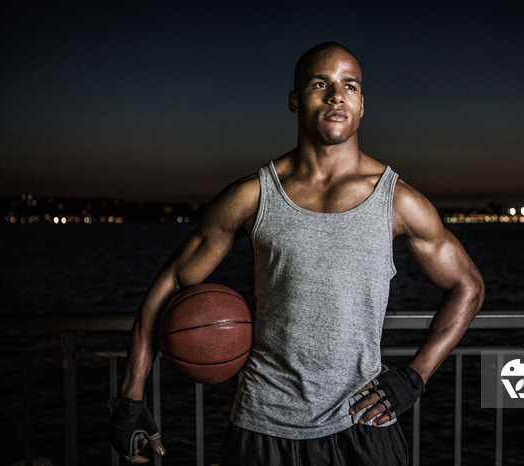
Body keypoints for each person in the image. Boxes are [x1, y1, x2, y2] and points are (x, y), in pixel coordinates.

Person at [109, 42, 485, 465]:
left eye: (350, 86)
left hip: (361, 424)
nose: (336, 95)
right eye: (320, 83)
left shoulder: (397, 201)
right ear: (294, 100)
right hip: (261, 426)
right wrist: (130, 397)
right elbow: (174, 282)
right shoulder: (252, 196)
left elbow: (467, 285)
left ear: (362, 105)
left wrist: (416, 375)